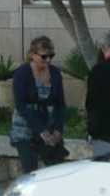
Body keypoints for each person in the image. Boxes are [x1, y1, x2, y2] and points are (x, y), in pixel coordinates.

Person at [9, 37, 68, 174]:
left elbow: (60, 104)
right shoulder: (21, 73)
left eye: (51, 56)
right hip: (25, 126)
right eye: (44, 56)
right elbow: (21, 105)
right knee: (30, 171)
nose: (48, 60)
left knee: (57, 168)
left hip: (48, 123)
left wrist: (58, 130)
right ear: (32, 55)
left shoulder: (55, 73)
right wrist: (41, 130)